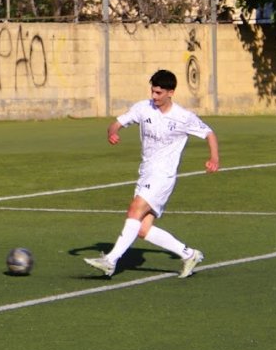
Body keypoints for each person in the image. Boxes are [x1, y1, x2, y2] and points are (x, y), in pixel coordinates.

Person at [84, 69, 219, 279]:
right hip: (146, 172)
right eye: (153, 91)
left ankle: (110, 261)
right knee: (142, 229)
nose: (154, 96)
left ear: (170, 93)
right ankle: (189, 254)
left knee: (134, 210)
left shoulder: (183, 117)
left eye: (159, 93)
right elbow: (116, 124)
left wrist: (214, 159)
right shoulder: (143, 108)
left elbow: (209, 133)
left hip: (163, 175)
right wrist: (113, 132)